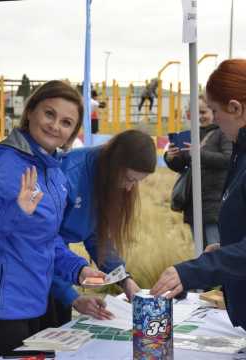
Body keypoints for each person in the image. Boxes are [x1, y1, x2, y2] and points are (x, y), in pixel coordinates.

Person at [0, 80, 102, 359]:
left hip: (36, 307)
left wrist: (78, 269)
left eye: (66, 122)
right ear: (30, 111)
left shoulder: (55, 174)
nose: (55, 126)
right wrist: (15, 213)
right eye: (49, 114)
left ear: (72, 133)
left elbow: (46, 237)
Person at [151, 59, 246, 331]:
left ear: (235, 108)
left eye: (215, 111)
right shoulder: (240, 149)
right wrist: (228, 245)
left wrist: (192, 270)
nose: (213, 119)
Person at [41, 130, 157, 328]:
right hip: (33, 271)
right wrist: (71, 295)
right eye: (129, 179)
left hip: (58, 264)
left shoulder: (107, 177)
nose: (129, 188)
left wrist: (124, 279)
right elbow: (43, 241)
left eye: (136, 183)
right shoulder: (69, 174)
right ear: (115, 164)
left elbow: (98, 235)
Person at [164, 95, 232, 247]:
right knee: (200, 252)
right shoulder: (191, 134)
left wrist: (198, 153)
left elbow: (228, 160)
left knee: (216, 251)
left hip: (215, 204)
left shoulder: (224, 133)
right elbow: (182, 166)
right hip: (194, 204)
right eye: (194, 113)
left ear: (214, 111)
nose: (199, 117)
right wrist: (171, 157)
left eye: (203, 112)